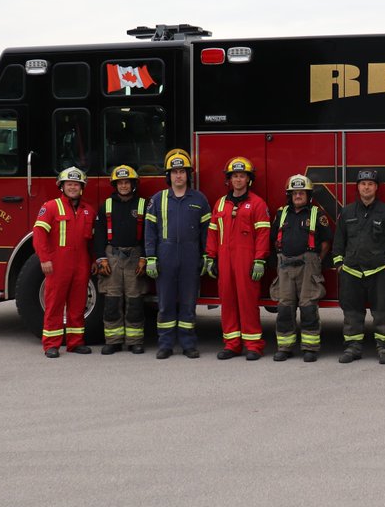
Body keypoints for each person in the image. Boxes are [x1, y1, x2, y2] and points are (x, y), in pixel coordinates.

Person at [144, 148, 211, 359]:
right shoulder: (158, 199)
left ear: (188, 174)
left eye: (182, 171)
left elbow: (207, 232)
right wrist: (151, 257)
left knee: (188, 303)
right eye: (174, 172)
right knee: (165, 303)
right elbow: (150, 231)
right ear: (169, 175)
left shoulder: (199, 199)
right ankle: (165, 345)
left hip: (191, 256)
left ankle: (188, 344)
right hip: (165, 256)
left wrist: (207, 255)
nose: (179, 175)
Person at [332, 169, 385, 364]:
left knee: (382, 311)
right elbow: (338, 242)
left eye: (370, 184)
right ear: (357, 187)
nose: (366, 187)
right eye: (363, 184)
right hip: (351, 272)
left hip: (379, 272)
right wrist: (339, 265)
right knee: (352, 312)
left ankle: (384, 348)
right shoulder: (346, 212)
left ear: (376, 187)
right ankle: (353, 348)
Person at [206, 157, 271, 361]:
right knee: (227, 301)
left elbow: (263, 235)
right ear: (229, 179)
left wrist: (259, 260)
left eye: (242, 176)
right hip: (224, 259)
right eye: (235, 176)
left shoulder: (258, 204)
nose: (238, 179)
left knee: (247, 302)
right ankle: (232, 344)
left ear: (249, 179)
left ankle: (253, 346)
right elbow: (213, 232)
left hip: (247, 260)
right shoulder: (220, 204)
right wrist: (210, 257)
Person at [33, 167, 96, 358]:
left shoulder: (89, 211)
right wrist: (44, 259)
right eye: (69, 184)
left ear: (82, 187)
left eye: (76, 184)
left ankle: (75, 343)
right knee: (54, 304)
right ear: (62, 186)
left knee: (78, 305)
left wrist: (94, 260)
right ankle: (51, 344)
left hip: (81, 264)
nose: (73, 187)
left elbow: (93, 241)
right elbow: (39, 235)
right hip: (58, 264)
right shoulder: (51, 207)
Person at [270, 173, 332, 362]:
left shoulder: (317, 214)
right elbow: (273, 238)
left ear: (308, 195)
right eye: (294, 193)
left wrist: (316, 260)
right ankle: (285, 347)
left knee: (308, 308)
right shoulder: (281, 214)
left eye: (301, 193)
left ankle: (310, 348)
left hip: (308, 266)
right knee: (284, 308)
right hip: (285, 266)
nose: (298, 196)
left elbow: (326, 242)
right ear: (289, 195)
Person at [92, 165, 148, 355]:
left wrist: (144, 257)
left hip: (135, 256)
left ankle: (135, 341)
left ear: (133, 184)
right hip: (112, 257)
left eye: (127, 182)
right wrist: (101, 259)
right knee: (112, 300)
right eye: (120, 183)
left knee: (135, 300)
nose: (124, 186)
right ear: (115, 185)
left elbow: (149, 234)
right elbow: (99, 234)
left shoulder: (143, 205)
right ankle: (113, 341)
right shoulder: (106, 205)